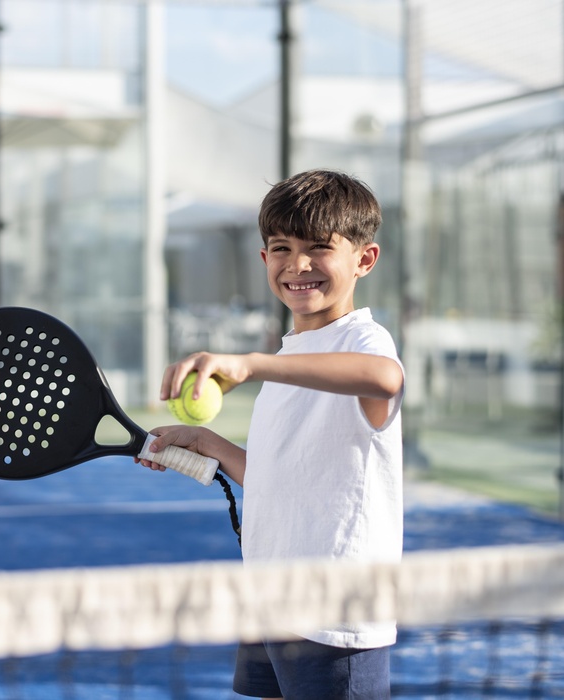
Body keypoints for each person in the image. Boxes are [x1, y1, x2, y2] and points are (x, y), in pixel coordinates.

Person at [139, 169, 404, 700]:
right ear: (265, 260)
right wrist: (211, 446)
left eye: (319, 248)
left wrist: (251, 364)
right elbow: (284, 475)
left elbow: (384, 379)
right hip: (271, 594)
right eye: (281, 247)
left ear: (364, 260)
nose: (297, 264)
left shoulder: (365, 340)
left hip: (335, 613)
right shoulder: (289, 355)